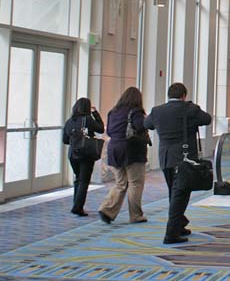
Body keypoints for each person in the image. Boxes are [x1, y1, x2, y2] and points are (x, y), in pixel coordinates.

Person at [145, 82, 212, 244]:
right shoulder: (190, 109)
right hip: (184, 159)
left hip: (166, 158)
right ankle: (171, 234)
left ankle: (179, 225)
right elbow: (207, 119)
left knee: (174, 193)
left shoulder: (157, 110)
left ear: (169, 95)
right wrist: (191, 107)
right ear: (184, 95)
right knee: (180, 195)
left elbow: (147, 124)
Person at [98, 87, 149, 225]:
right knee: (135, 183)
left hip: (114, 149)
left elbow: (108, 131)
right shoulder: (136, 112)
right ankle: (136, 215)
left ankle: (107, 209)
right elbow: (141, 127)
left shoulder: (112, 112)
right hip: (132, 150)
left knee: (120, 183)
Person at [62, 98, 105, 217]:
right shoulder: (88, 119)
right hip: (86, 154)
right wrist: (95, 113)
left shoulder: (69, 121)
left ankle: (76, 204)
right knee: (84, 181)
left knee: (78, 179)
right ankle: (77, 207)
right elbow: (101, 128)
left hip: (73, 154)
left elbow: (65, 140)